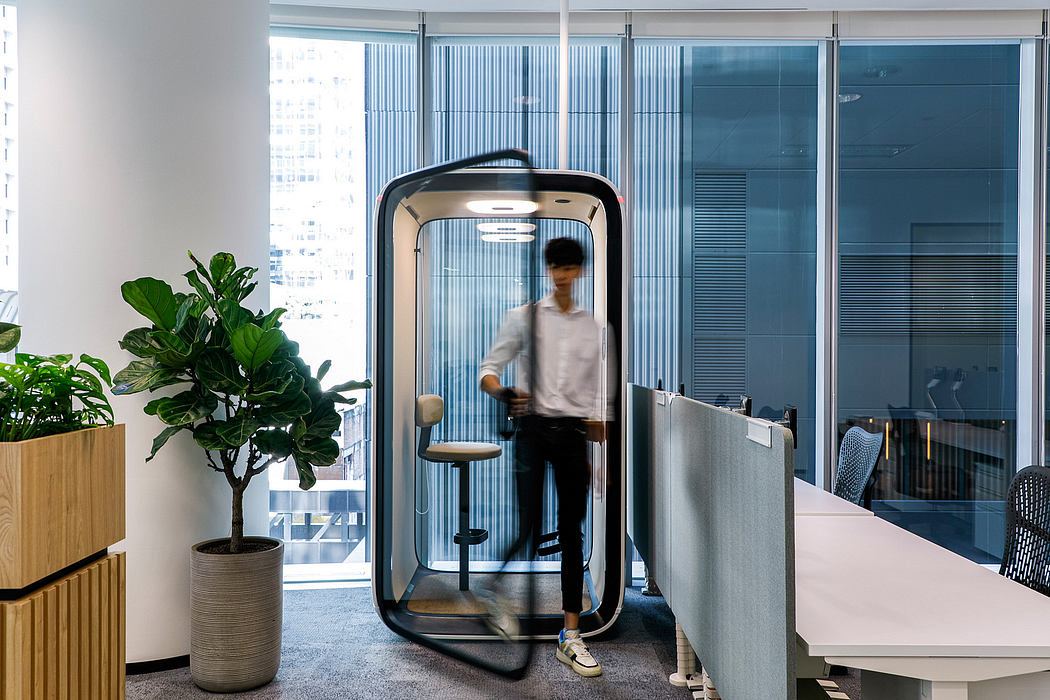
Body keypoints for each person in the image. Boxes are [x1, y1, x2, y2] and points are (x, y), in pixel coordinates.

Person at [478, 236, 609, 679]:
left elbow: (595, 395)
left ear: (580, 271)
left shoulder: (593, 327)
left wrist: (595, 449)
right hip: (533, 431)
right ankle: (492, 589)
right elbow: (487, 371)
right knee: (530, 526)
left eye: (570, 267)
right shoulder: (524, 318)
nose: (562, 274)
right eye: (556, 266)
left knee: (572, 532)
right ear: (548, 269)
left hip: (572, 434)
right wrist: (506, 393)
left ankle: (570, 636)